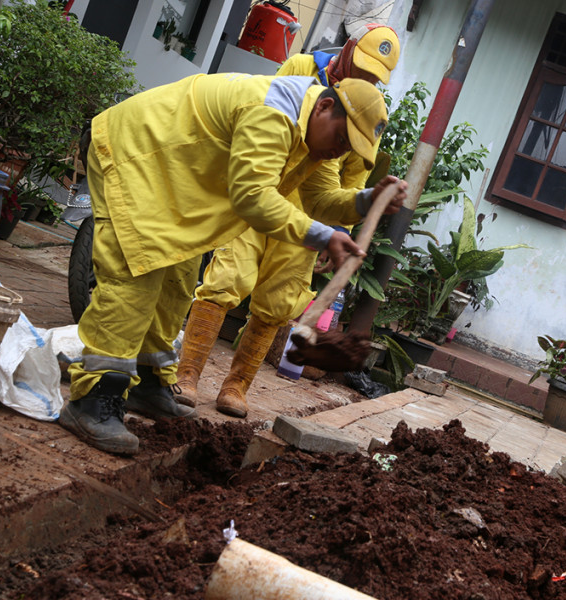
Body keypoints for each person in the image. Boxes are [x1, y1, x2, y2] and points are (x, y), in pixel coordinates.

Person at [58, 73, 406, 455]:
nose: (338, 152)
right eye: (341, 139)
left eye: (348, 148)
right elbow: (252, 197)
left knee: (178, 282)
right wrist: (323, 236)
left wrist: (366, 200)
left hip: (176, 179)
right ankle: (93, 399)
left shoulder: (314, 139)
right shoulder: (272, 113)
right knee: (135, 279)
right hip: (138, 154)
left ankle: (147, 381)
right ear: (324, 107)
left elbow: (320, 199)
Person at [174, 24, 402, 418]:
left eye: (373, 77)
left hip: (311, 209)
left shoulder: (369, 110)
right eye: (361, 67)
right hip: (260, 189)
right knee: (227, 278)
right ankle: (187, 373)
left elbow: (352, 180)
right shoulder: (300, 67)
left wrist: (338, 233)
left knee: (279, 300)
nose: (364, 78)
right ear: (348, 49)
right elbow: (265, 122)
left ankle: (237, 385)